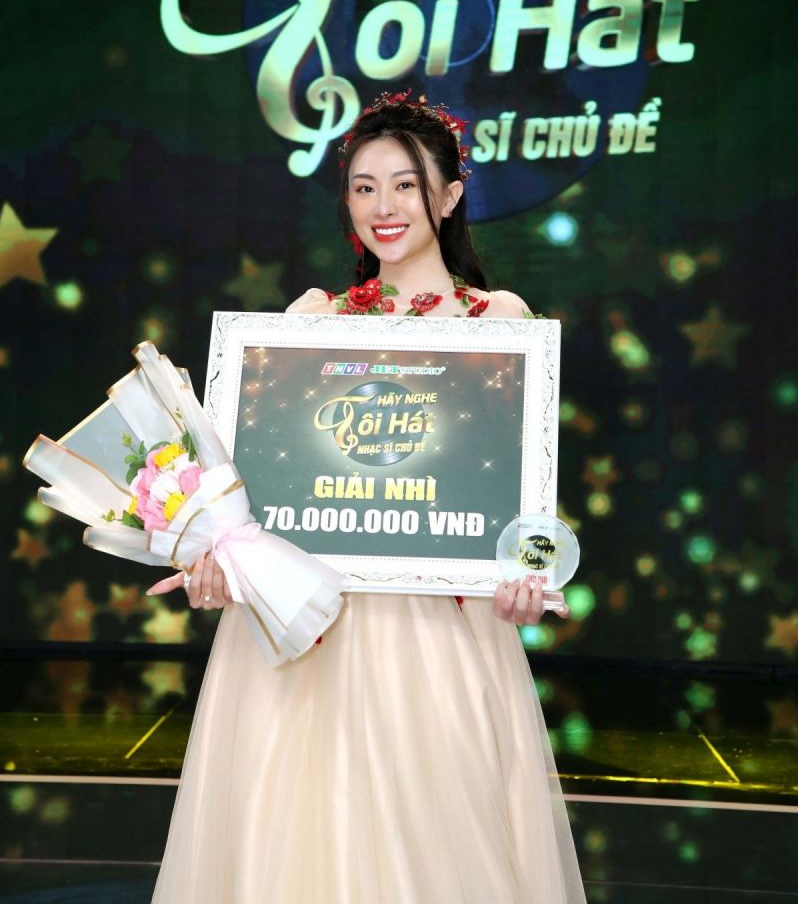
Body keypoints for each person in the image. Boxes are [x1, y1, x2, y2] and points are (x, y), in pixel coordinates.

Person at [148, 90, 586, 903]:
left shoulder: (498, 322)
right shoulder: (310, 320)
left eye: (406, 185)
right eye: (364, 186)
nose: (384, 207)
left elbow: (518, 502)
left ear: (449, 197)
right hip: (311, 633)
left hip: (438, 637)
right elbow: (260, 496)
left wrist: (528, 575)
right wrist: (222, 560)